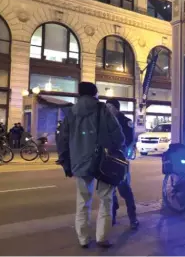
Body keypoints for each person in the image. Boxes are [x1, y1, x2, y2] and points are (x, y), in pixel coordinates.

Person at [57, 82, 125, 249]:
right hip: (103, 162)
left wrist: (66, 161)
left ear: (79, 94)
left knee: (82, 201)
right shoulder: (103, 110)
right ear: (95, 93)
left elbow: (62, 140)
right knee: (106, 199)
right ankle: (102, 237)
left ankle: (83, 239)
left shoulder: (70, 113)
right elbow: (119, 136)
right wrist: (116, 148)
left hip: (79, 162)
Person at [105, 98, 139, 230]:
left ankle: (133, 217)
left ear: (116, 108)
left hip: (121, 160)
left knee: (124, 189)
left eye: (110, 106)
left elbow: (130, 140)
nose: (107, 109)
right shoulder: (105, 120)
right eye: (106, 106)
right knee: (110, 190)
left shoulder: (126, 121)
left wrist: (124, 153)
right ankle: (112, 216)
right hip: (108, 159)